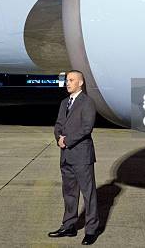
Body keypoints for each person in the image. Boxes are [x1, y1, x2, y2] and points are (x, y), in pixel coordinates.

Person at [48, 70, 100, 245]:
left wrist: (67, 140)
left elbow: (87, 128)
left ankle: (91, 230)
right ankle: (69, 226)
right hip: (66, 155)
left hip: (82, 156)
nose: (67, 83)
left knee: (88, 194)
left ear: (80, 82)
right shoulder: (64, 102)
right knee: (69, 194)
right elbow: (58, 124)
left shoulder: (87, 103)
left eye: (71, 80)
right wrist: (59, 139)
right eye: (66, 80)